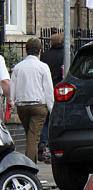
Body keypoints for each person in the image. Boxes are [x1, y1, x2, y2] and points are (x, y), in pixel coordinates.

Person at [10, 38, 54, 164]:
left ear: (26, 51)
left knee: (30, 135)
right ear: (40, 51)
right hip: (38, 106)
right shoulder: (43, 67)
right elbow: (48, 89)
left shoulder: (18, 67)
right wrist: (52, 108)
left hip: (22, 106)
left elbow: (13, 85)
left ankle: (30, 166)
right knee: (33, 138)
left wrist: (11, 100)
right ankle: (29, 167)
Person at [39, 32, 65, 163]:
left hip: (45, 90)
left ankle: (43, 144)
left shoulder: (44, 55)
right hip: (59, 89)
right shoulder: (65, 55)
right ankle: (54, 145)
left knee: (45, 120)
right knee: (57, 118)